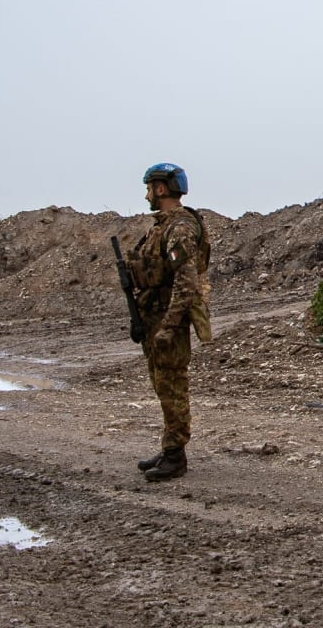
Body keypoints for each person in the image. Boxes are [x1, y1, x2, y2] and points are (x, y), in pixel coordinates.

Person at [126, 163, 213, 482]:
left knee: (173, 386)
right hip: (155, 317)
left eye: (150, 188)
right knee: (163, 385)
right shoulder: (161, 226)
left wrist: (169, 324)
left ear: (161, 189)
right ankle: (169, 447)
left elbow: (186, 280)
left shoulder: (179, 227)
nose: (147, 194)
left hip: (167, 320)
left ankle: (176, 455)